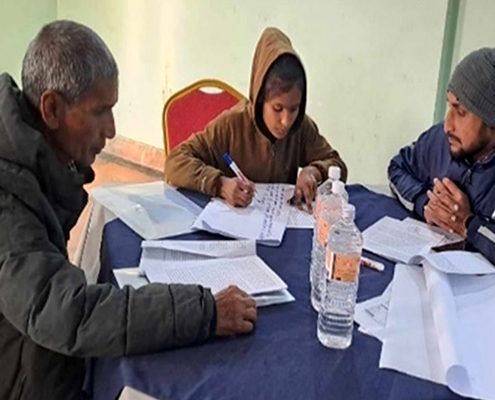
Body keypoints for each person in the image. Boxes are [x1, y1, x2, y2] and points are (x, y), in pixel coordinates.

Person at [0, 20, 256, 400]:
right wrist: (203, 311)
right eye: (100, 111)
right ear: (52, 108)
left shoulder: (34, 160)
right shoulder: (7, 201)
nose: (112, 129)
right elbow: (67, 313)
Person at [165, 27, 347, 212]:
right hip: (234, 229)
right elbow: (175, 162)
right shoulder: (231, 125)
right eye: (277, 108)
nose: (286, 120)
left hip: (279, 226)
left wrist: (314, 172)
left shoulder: (301, 128)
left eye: (294, 108)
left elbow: (337, 165)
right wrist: (220, 184)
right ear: (260, 99)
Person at [388, 47, 495, 265]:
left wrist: (468, 223)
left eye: (461, 111)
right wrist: (425, 203)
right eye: (449, 106)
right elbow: (397, 168)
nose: (448, 125)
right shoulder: (441, 141)